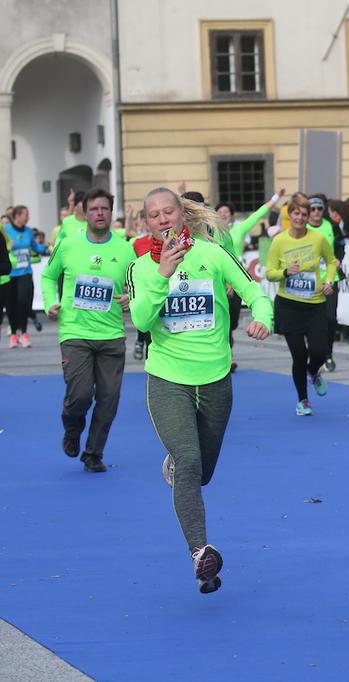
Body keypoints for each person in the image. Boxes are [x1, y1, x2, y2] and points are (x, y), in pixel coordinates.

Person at [126, 187, 272, 593]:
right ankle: (200, 554)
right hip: (167, 378)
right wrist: (162, 274)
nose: (162, 219)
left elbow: (255, 293)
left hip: (215, 378)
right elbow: (140, 319)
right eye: (153, 215)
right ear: (146, 223)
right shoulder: (140, 268)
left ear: (182, 216)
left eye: (167, 211)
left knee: (201, 472)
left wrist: (264, 318)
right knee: (189, 460)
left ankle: (178, 469)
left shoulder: (213, 254)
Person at [41, 188, 135, 473]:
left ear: (111, 212)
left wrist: (131, 296)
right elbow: (47, 275)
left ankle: (93, 453)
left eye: (105, 209)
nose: (100, 214)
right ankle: (72, 427)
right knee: (80, 395)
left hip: (111, 336)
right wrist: (50, 303)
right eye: (94, 209)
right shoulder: (69, 244)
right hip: (75, 333)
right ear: (84, 212)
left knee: (108, 399)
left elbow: (139, 283)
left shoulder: (125, 248)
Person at [265, 193, 336, 416]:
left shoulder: (318, 238)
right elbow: (269, 273)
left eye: (304, 214)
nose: (300, 217)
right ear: (290, 214)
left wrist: (329, 280)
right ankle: (303, 400)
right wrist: (286, 272)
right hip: (288, 306)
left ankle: (313, 371)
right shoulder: (279, 241)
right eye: (296, 213)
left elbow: (332, 262)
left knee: (319, 351)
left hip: (314, 304)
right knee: (298, 355)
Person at [214, 188, 283, 370]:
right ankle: (228, 356)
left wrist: (276, 197)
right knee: (222, 319)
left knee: (233, 321)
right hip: (217, 281)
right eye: (219, 213)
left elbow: (260, 212)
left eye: (226, 212)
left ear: (231, 216)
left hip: (236, 280)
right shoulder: (209, 233)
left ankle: (227, 347)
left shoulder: (239, 229)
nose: (223, 215)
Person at [306, 194, 345, 373]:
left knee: (330, 318)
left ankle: (328, 353)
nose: (316, 212)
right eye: (312, 209)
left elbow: (341, 244)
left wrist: (338, 259)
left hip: (331, 279)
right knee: (312, 320)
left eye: (319, 209)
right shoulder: (303, 228)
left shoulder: (332, 226)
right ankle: (314, 353)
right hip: (310, 281)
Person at [4, 206, 47, 348]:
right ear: (17, 216)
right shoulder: (6, 230)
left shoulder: (29, 231)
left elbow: (35, 247)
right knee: (11, 304)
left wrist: (46, 247)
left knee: (23, 301)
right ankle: (13, 336)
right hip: (10, 273)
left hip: (25, 273)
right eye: (25, 215)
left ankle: (23, 333)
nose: (28, 217)